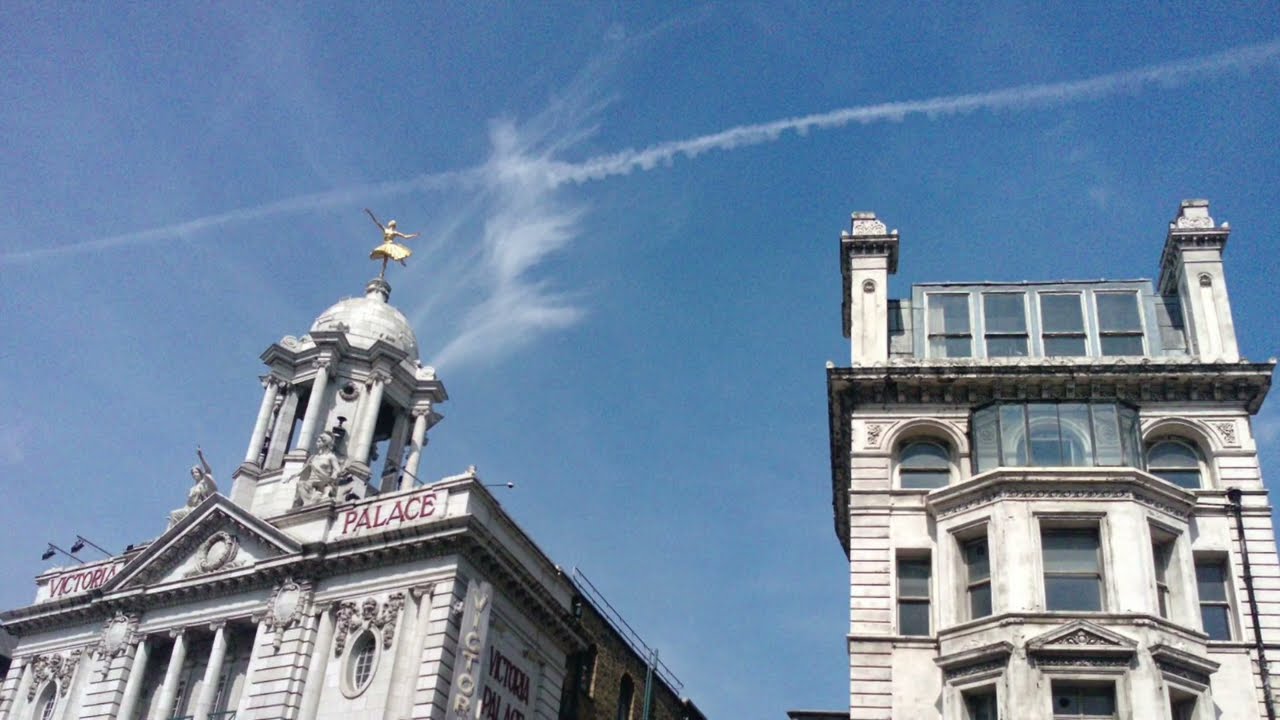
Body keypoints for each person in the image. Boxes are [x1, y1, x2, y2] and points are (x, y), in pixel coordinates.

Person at [169, 447, 217, 527]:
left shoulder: (203, 483)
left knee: (175, 515)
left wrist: (201, 457)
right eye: (193, 473)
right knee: (173, 514)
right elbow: (188, 504)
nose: (194, 474)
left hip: (199, 508)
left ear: (200, 473)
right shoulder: (192, 489)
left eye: (196, 472)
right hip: (189, 509)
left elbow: (208, 471)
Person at [295, 431, 346, 506]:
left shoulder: (331, 457)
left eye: (319, 441)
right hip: (311, 483)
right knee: (300, 484)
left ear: (325, 443)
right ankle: (307, 504)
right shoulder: (314, 457)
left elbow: (338, 470)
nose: (316, 443)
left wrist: (334, 475)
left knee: (316, 498)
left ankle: (311, 503)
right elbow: (304, 470)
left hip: (322, 483)